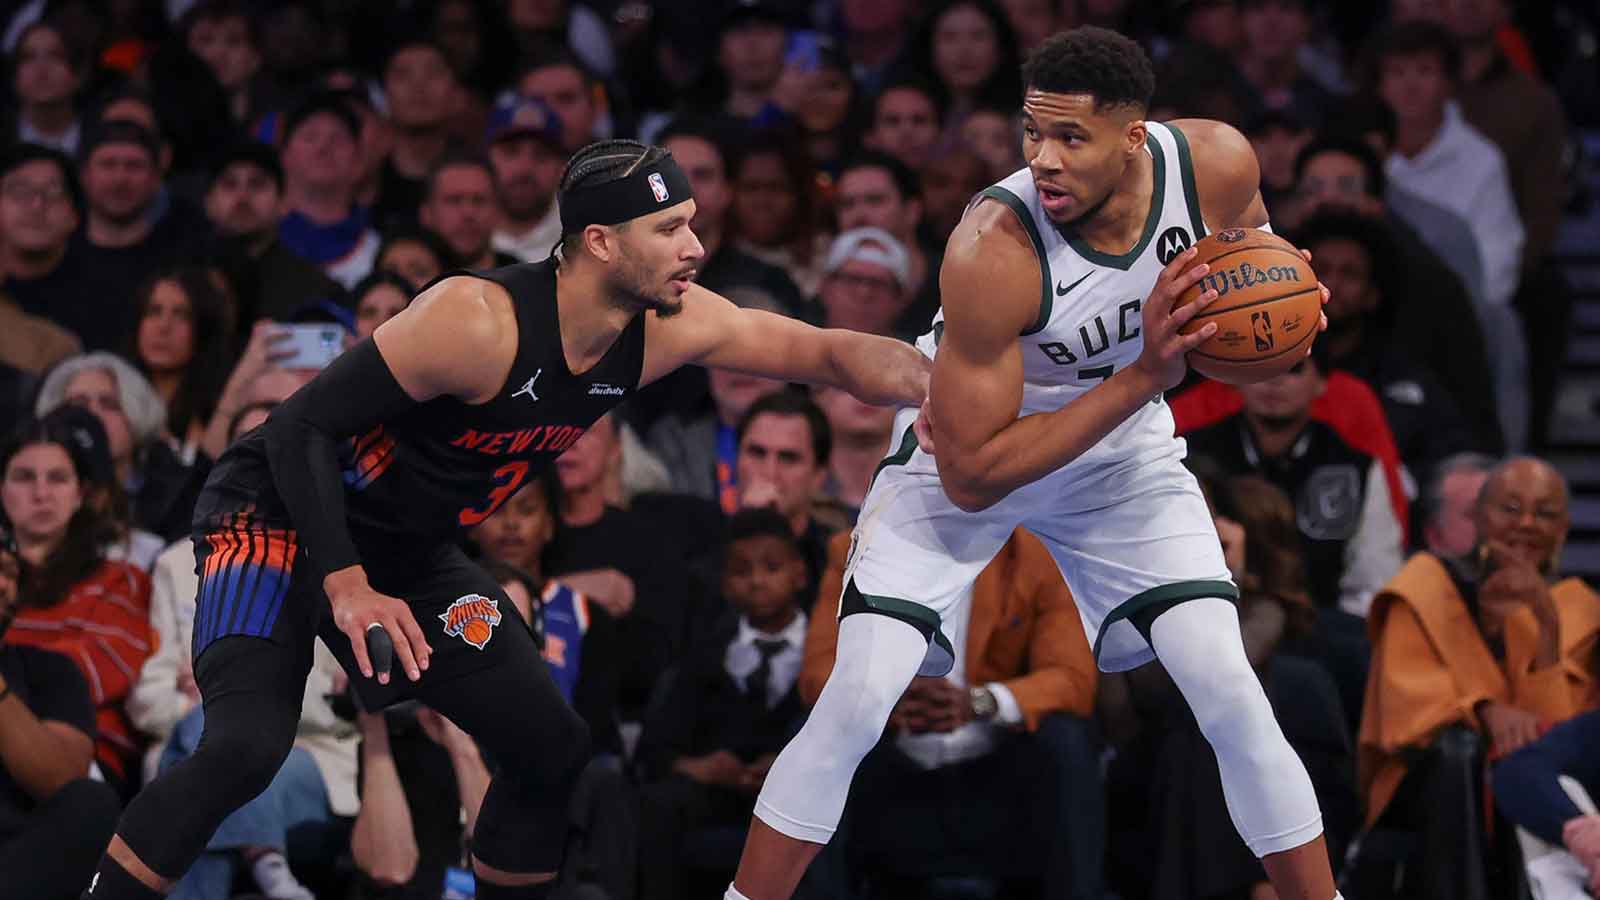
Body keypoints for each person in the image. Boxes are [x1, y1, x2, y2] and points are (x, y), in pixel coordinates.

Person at [82, 137, 929, 900]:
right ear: (600, 242)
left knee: (550, 747)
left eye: (692, 224)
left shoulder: (670, 325)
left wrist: (947, 384)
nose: (696, 248)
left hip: (404, 547)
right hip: (273, 515)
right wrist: (345, 583)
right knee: (244, 747)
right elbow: (298, 428)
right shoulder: (475, 320)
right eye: (670, 228)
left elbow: (827, 353)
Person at [730, 27, 1343, 900]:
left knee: (1228, 687)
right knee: (858, 696)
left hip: (1118, 449)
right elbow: (973, 474)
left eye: (1071, 137)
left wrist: (1286, 313)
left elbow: (1251, 285)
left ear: (1133, 139)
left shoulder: (1216, 163)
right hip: (975, 440)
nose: (1043, 158)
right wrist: (1143, 377)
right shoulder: (992, 248)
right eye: (1032, 131)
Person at [803, 524, 1105, 899]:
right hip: (890, 760)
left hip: (997, 765)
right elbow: (816, 673)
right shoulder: (857, 549)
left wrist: (981, 702)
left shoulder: (1040, 555)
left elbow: (1072, 679)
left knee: (1066, 737)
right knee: (816, 730)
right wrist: (885, 702)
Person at [1356, 456, 1600, 899]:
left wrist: (1545, 623)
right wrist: (1484, 711)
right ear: (1479, 517)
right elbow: (1402, 714)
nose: (1526, 523)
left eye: (1545, 513)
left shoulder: (1579, 607)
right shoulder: (1424, 585)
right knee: (1458, 750)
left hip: (1541, 801)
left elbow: (1565, 739)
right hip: (1430, 790)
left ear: (1564, 529)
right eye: (1510, 508)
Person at [636, 508, 813, 900]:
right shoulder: (705, 651)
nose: (757, 581)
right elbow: (655, 750)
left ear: (799, 573)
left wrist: (788, 768)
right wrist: (702, 767)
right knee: (659, 805)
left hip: (800, 796)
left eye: (771, 567)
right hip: (718, 795)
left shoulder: (826, 651)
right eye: (741, 570)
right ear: (725, 583)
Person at [0, 418, 154, 792]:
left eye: (57, 479)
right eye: (23, 477)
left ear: (81, 494)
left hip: (85, 760)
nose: (41, 493)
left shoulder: (119, 579)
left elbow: (103, 669)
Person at [0, 527, 124, 900]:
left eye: (9, 572)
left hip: (18, 858)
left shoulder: (50, 670)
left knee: (93, 804)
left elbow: (63, 779)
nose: (2, 584)